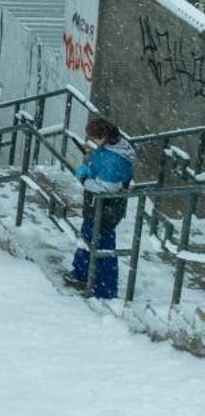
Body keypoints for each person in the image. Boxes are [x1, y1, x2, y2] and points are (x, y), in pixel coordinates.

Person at [64, 117, 135, 298]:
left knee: (103, 245)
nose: (93, 141)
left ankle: (105, 289)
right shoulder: (115, 146)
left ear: (102, 136)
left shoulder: (114, 159)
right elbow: (100, 162)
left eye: (94, 138)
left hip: (105, 207)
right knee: (87, 236)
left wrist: (84, 179)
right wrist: (90, 164)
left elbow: (107, 188)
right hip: (99, 206)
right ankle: (81, 273)